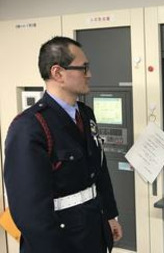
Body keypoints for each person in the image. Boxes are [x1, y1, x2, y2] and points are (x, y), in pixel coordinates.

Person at [4, 37, 123, 253]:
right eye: (83, 68)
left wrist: (109, 215)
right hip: (60, 241)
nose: (90, 74)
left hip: (92, 230)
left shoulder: (86, 115)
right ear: (58, 73)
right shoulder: (29, 127)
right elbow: (29, 213)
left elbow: (99, 170)